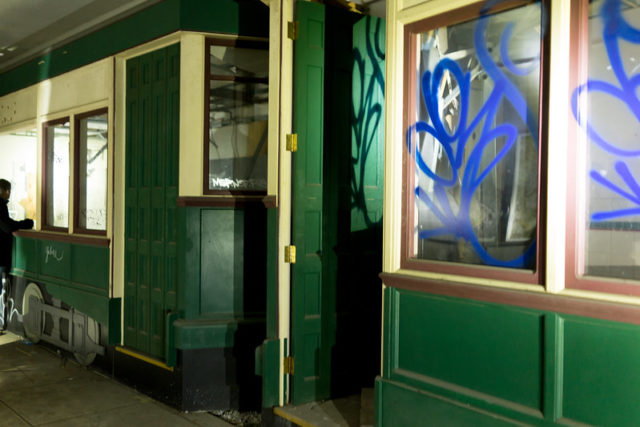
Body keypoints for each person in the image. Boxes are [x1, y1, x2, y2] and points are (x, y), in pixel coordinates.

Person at [0, 178, 34, 286]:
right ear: (5, 190)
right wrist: (25, 223)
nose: (9, 193)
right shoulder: (0, 206)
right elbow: (7, 226)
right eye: (8, 190)